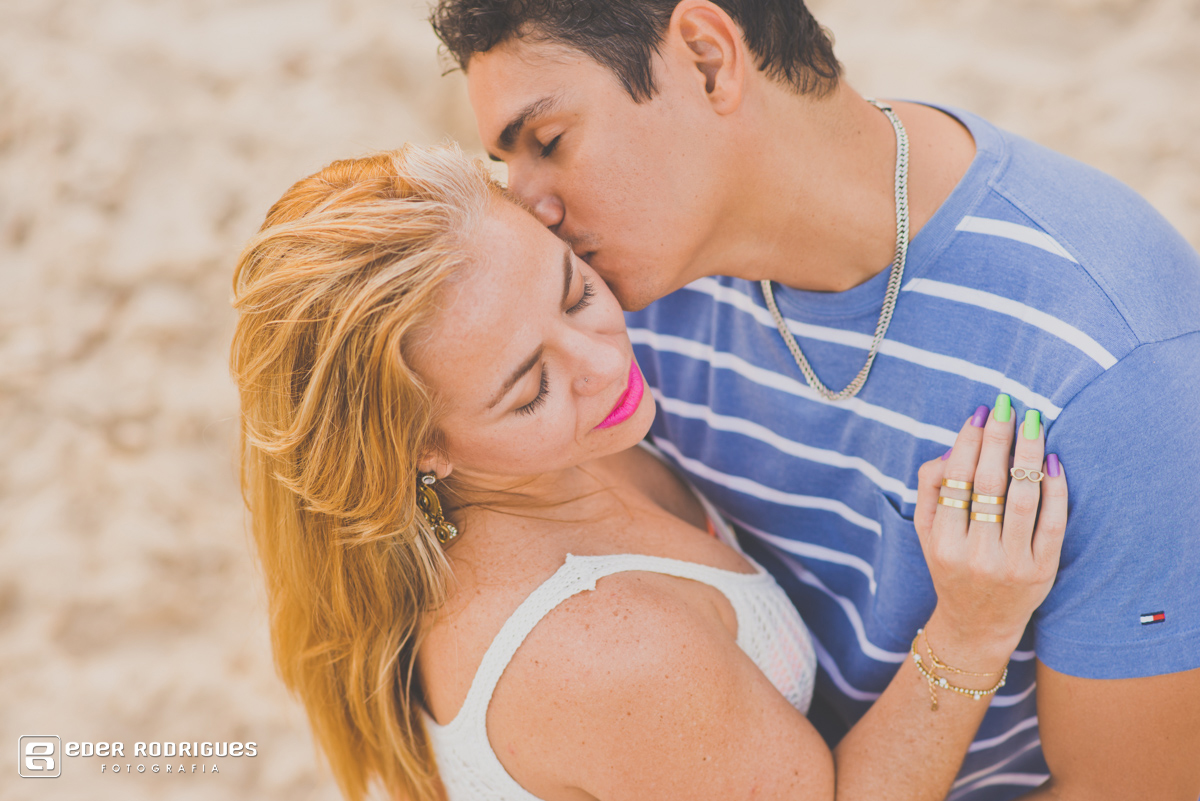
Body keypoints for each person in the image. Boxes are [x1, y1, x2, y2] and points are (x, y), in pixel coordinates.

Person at [428, 1, 1200, 799]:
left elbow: (1136, 787)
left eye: (549, 143)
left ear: (705, 58)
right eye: (507, 166)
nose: (530, 207)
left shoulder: (1115, 362)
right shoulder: (591, 305)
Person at [230, 145, 1066, 801]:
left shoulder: (532, 468)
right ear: (423, 450)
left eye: (574, 291)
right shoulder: (606, 651)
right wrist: (971, 627)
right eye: (532, 388)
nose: (606, 361)